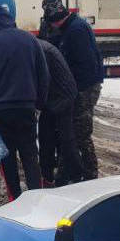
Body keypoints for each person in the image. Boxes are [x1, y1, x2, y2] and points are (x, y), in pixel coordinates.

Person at [0, 4, 49, 200]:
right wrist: (39, 102)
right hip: (26, 107)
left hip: (0, 111)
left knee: (6, 157)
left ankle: (14, 198)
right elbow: (44, 75)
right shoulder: (30, 40)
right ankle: (36, 197)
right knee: (30, 153)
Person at [41, 0, 104, 180]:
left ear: (56, 17)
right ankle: (70, 172)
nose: (50, 26)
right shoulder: (66, 29)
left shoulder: (76, 31)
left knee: (80, 133)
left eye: (51, 23)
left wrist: (70, 92)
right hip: (76, 88)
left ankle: (90, 175)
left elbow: (83, 66)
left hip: (85, 88)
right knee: (70, 132)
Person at [37, 36, 80, 187]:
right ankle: (51, 175)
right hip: (59, 94)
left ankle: (75, 175)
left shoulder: (41, 52)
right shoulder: (41, 48)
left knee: (62, 138)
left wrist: (37, 103)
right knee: (49, 137)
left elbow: (42, 80)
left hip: (60, 96)